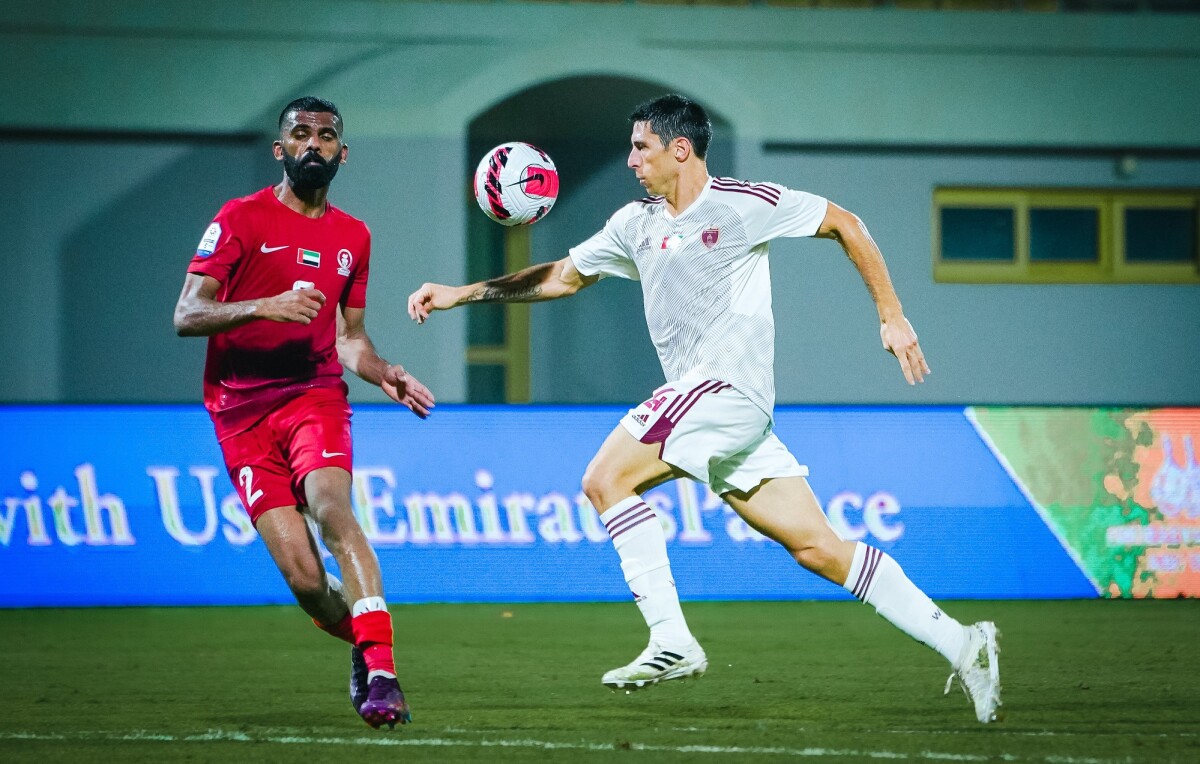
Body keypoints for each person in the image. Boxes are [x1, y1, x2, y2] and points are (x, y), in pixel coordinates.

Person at [407, 94, 1001, 723]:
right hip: (722, 413)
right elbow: (563, 276)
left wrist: (892, 315)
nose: (632, 160)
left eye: (641, 147)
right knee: (819, 549)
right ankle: (965, 644)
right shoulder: (634, 223)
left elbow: (845, 223)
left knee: (605, 479)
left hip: (726, 390)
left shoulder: (744, 205)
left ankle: (672, 639)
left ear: (680, 149)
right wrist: (460, 295)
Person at [174, 96, 433, 729]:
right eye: (300, 133)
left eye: (325, 136)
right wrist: (263, 305)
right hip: (239, 411)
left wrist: (383, 371)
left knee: (332, 508)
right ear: (280, 149)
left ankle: (384, 675)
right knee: (307, 582)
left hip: (313, 395)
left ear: (343, 154)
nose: (312, 144)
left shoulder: (354, 236)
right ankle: (365, 648)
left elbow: (350, 338)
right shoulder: (240, 218)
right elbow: (187, 314)